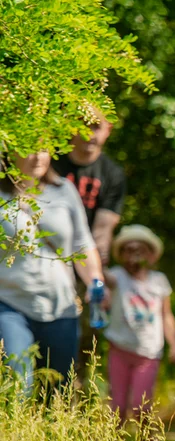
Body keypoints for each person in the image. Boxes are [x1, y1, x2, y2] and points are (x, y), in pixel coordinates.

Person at [0, 151, 106, 392]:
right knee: (17, 386)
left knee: (58, 393)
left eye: (44, 147)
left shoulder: (63, 189)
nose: (38, 156)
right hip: (8, 304)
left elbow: (82, 243)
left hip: (61, 306)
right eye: (29, 148)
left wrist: (95, 281)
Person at [104, 225, 175, 423]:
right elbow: (100, 274)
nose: (134, 255)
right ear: (121, 254)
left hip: (148, 353)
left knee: (142, 407)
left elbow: (166, 315)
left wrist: (174, 344)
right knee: (117, 408)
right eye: (128, 250)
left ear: (150, 254)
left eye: (139, 250)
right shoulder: (117, 276)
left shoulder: (159, 281)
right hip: (119, 349)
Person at [52, 110, 126, 260]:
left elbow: (103, 230)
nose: (90, 134)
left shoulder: (113, 174)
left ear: (108, 129)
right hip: (48, 249)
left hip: (85, 254)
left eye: (96, 127)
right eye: (84, 126)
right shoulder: (49, 162)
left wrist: (96, 270)